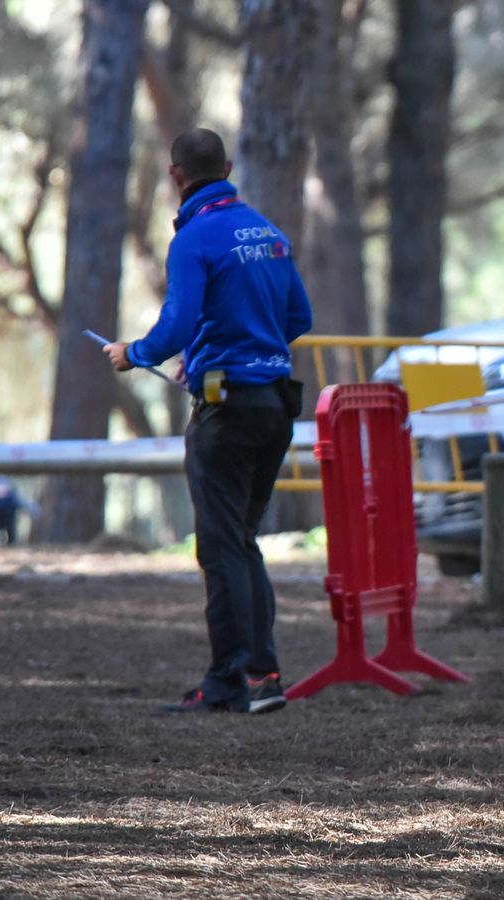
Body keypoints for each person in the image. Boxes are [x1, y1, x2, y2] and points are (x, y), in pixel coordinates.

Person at [103, 128, 312, 716]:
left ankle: (227, 681)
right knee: (243, 542)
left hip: (227, 414)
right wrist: (216, 355)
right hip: (276, 406)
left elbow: (175, 323)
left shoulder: (194, 237)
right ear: (226, 165)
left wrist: (134, 354)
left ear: (175, 175)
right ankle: (264, 677)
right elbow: (298, 315)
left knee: (220, 548)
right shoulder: (268, 232)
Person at [0, 476, 39, 545]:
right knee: (8, 530)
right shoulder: (8, 484)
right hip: (5, 509)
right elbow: (18, 501)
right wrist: (33, 510)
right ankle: (8, 543)